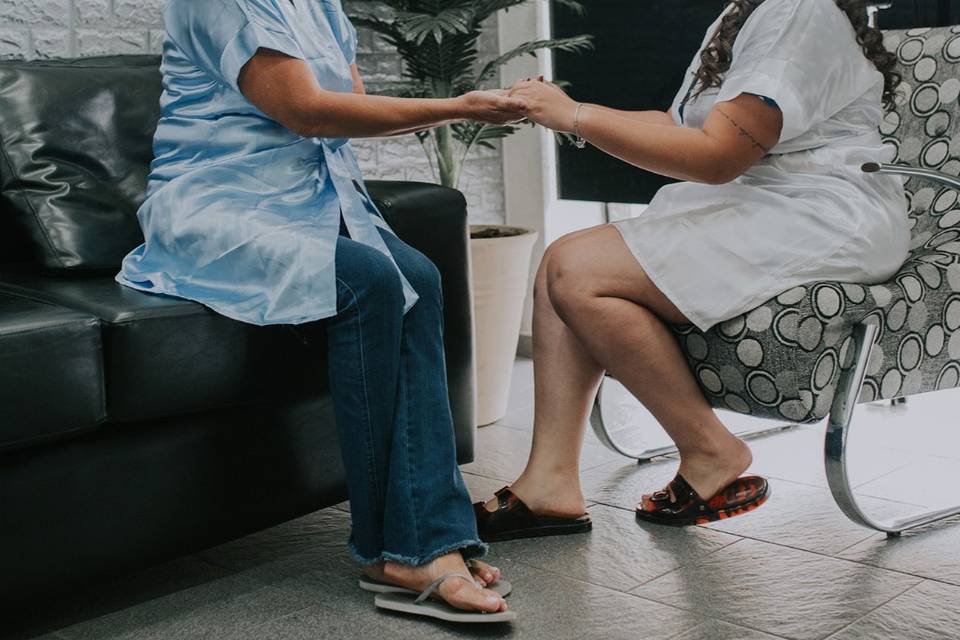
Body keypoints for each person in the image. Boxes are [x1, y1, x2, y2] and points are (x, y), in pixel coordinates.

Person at [114, 0, 527, 623]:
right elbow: (306, 110)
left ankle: (426, 538)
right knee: (370, 281)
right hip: (218, 205)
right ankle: (406, 548)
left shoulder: (320, 7)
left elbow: (349, 113)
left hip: (307, 199)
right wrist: (461, 105)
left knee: (417, 275)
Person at [474, 0, 908, 538]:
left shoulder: (800, 8)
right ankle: (550, 484)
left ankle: (710, 450)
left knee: (575, 267)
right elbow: (678, 126)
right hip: (771, 201)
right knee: (558, 267)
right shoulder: (747, 12)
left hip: (823, 214)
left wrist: (573, 117)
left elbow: (718, 155)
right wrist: (562, 108)